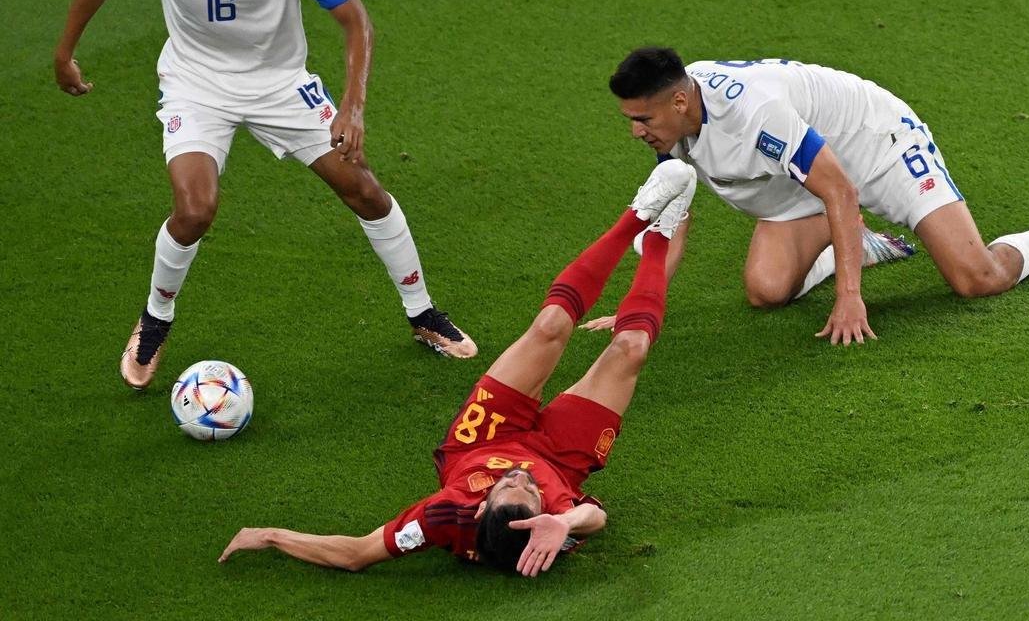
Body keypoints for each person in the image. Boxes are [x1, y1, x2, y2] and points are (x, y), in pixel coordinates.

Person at [53, 0, 476, 387]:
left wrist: (353, 107)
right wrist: (65, 53)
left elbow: (355, 20)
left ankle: (421, 312)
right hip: (196, 85)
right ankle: (156, 321)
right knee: (194, 209)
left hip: (280, 86)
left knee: (365, 190)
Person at [218, 160, 698, 576]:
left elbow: (356, 554)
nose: (518, 475)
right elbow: (596, 519)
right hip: (562, 459)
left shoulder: (441, 517)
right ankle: (657, 231)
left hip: (482, 440)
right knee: (630, 349)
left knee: (550, 326)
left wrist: (271, 536)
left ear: (481, 504)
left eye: (507, 485)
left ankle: (634, 217)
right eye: (528, 492)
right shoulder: (550, 519)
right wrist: (564, 519)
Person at [598, 48, 1029, 345]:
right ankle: (858, 245)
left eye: (641, 118)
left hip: (876, 144)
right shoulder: (672, 121)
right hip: (806, 175)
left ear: (676, 100)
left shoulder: (754, 114)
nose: (636, 131)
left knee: (976, 279)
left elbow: (841, 190)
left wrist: (849, 296)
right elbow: (676, 213)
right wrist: (643, 304)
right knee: (767, 291)